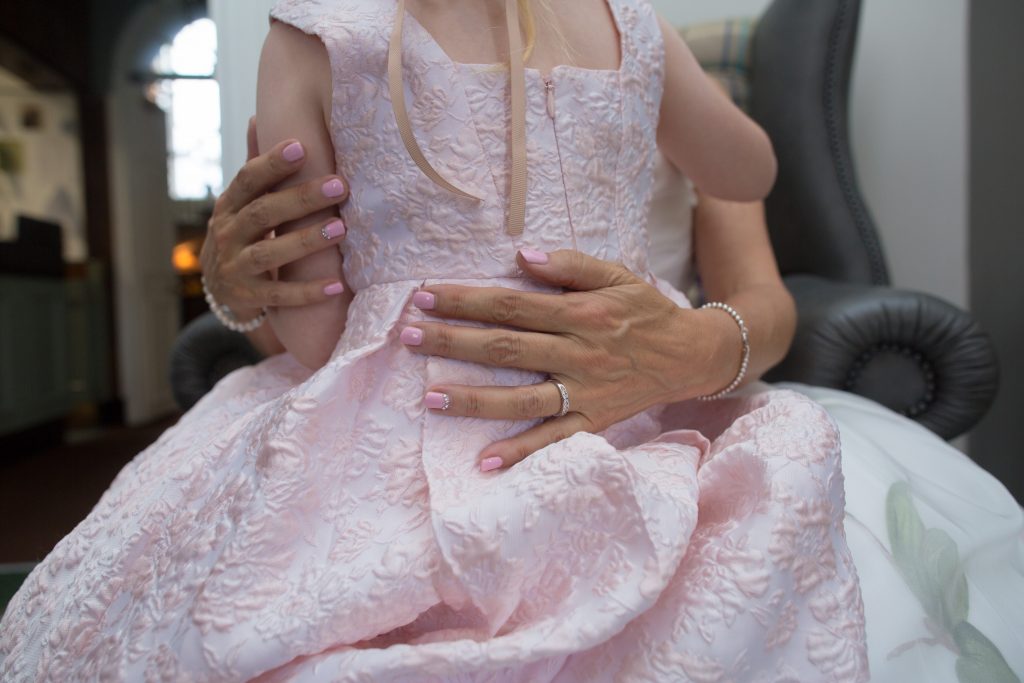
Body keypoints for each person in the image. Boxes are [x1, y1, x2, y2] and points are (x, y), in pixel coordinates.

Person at [0, 1, 869, 680]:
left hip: (436, 402)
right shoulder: (629, 23)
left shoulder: (316, 35)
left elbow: (314, 334)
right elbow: (750, 167)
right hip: (623, 432)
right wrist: (235, 281)